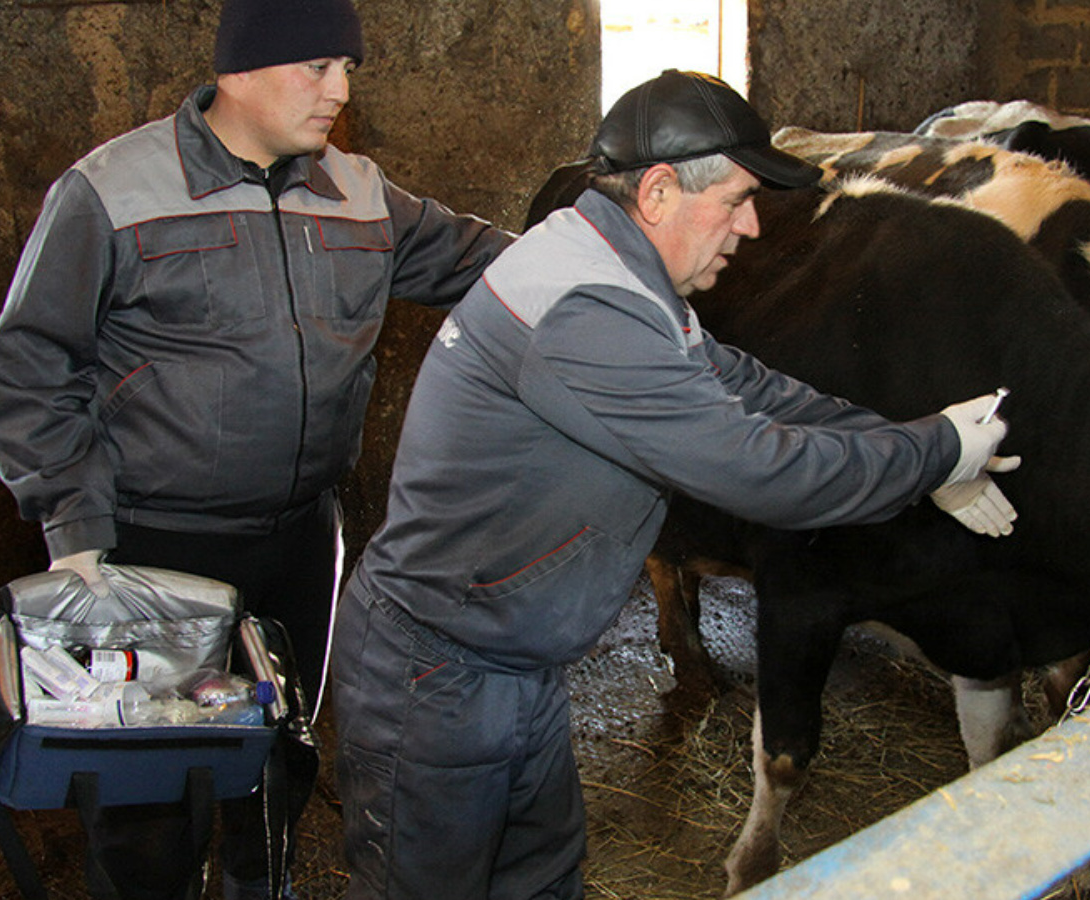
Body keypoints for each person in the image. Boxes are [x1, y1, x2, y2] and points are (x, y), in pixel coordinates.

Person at [330, 69, 1019, 900]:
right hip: (438, 673)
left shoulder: (620, 272)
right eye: (734, 200)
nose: (752, 225)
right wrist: (936, 452)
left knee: (541, 882)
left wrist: (904, 444)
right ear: (657, 191)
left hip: (511, 655)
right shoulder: (588, 310)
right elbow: (758, 466)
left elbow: (751, 385)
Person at [0, 0, 513, 895]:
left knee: (284, 740)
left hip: (303, 537)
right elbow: (31, 362)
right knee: (148, 785)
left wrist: (612, 251)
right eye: (317, 68)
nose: (339, 93)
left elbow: (488, 262)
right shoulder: (113, 190)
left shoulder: (359, 192)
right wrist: (75, 527)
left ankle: (259, 880)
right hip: (154, 547)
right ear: (237, 73)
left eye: (349, 70)